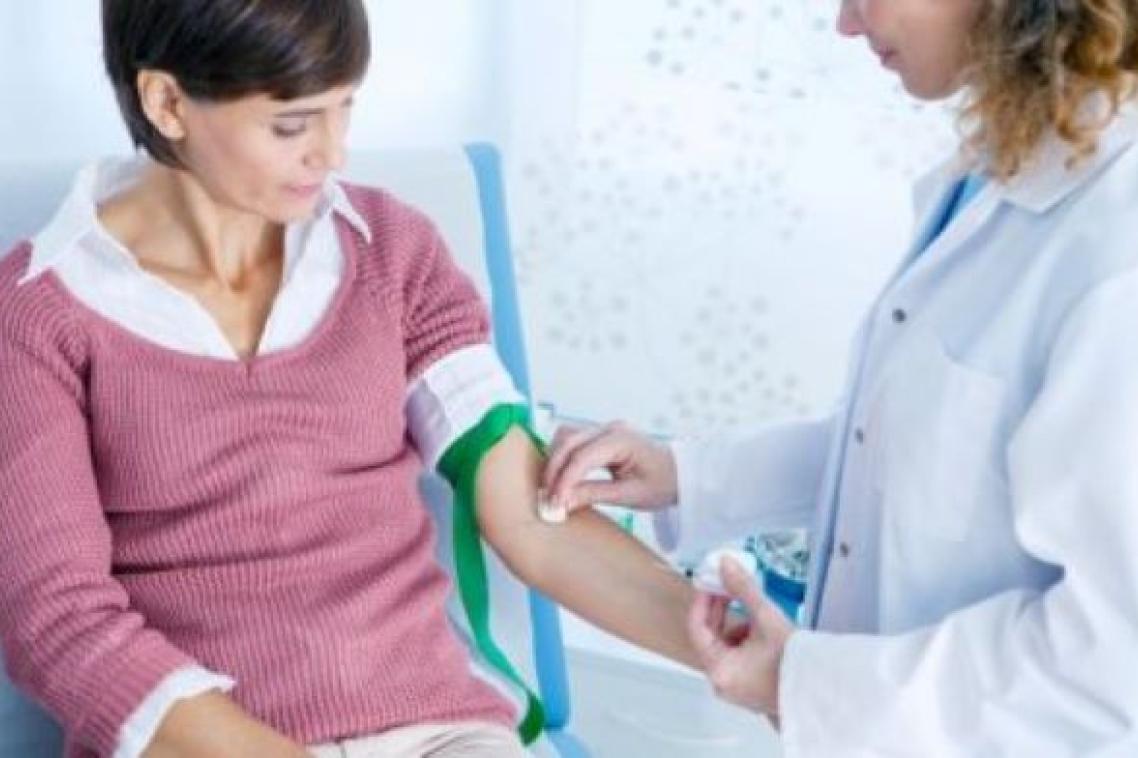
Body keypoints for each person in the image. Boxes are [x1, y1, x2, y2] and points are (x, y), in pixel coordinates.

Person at [0, 2, 701, 756]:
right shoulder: (36, 317)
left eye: (345, 108)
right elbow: (60, 623)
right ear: (166, 102)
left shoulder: (392, 254)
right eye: (293, 125)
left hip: (436, 732)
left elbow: (530, 517)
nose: (333, 154)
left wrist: (759, 659)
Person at [544, 0, 1138, 754]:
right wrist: (685, 474)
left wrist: (810, 682)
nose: (845, 24)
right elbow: (919, 444)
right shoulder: (1003, 167)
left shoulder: (1117, 245)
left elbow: (1115, 671)